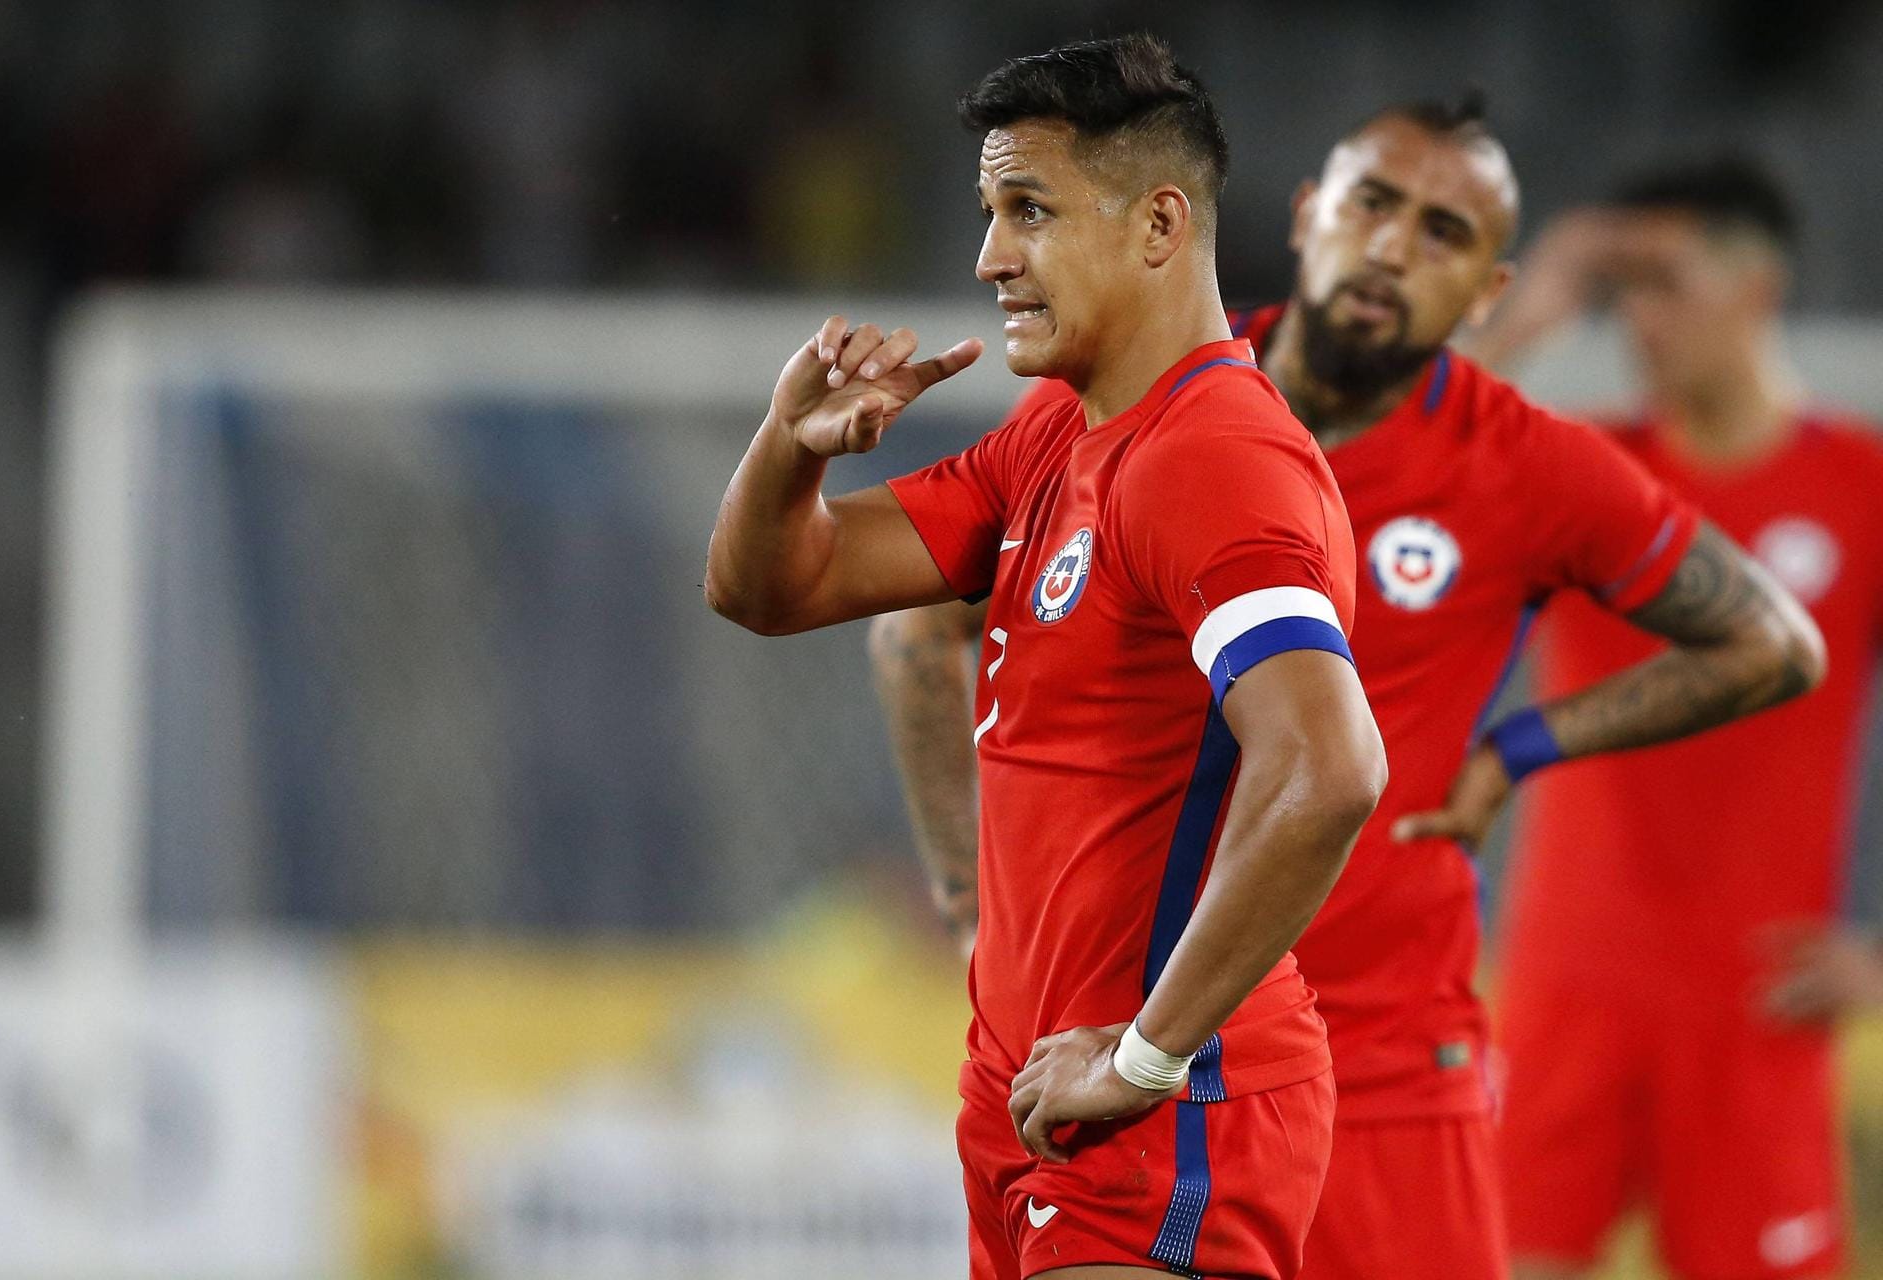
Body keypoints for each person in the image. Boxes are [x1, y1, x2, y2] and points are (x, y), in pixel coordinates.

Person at [869, 101, 1828, 1280]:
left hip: (1383, 1075)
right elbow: (920, 622)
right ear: (1312, 215)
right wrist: (972, 905)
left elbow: (1775, 644)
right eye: (1374, 206)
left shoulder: (1524, 462)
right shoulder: (1126, 399)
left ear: (1487, 293)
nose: (1393, 249)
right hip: (1148, 1056)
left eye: (1443, 233)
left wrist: (1518, 748)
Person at [709, 35, 1390, 1280]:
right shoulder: (1056, 438)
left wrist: (1145, 1054)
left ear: (1158, 225)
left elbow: (1330, 766)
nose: (989, 259)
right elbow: (770, 585)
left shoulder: (1216, 457)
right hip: (1035, 1098)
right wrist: (790, 445)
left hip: (1161, 1110)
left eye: (1029, 210)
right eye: (988, 212)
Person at [1471, 157, 1883, 1280]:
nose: (1641, 317)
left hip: (1756, 1008)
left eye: (1667, 279)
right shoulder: (1586, 471)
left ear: (1758, 287)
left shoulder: (1861, 483)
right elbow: (1367, 474)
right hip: (1567, 989)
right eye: (1625, 287)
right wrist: (1533, 305)